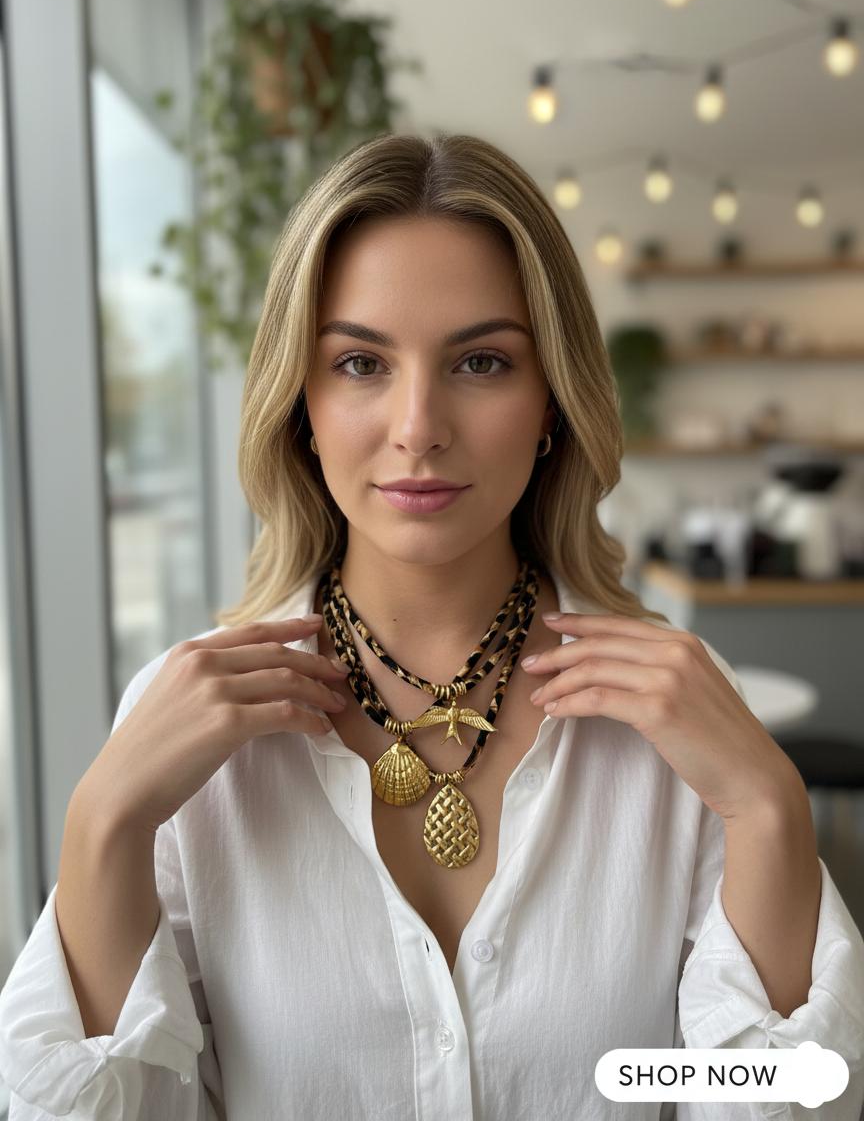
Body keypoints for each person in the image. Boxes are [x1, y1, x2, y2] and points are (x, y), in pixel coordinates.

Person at [1, 132, 863, 1121]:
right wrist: (101, 821)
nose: (418, 424)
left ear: (551, 404)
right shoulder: (182, 721)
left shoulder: (673, 708)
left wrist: (768, 807)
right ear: (301, 407)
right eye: (361, 362)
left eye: (482, 360)